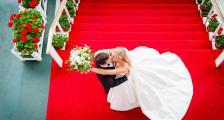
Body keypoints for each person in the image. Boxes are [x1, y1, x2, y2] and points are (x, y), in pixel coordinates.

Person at [90, 46, 193, 120]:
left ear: (119, 59)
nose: (111, 58)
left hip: (126, 77)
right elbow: (105, 52)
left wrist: (91, 69)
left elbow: (106, 72)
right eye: (111, 56)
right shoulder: (118, 52)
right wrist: (92, 56)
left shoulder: (124, 66)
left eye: (113, 58)